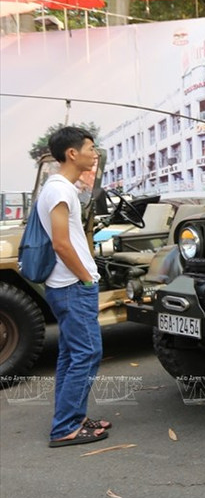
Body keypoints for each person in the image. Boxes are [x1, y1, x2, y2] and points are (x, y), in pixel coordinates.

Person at [37, 127, 110, 447]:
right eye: (90, 148)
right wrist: (85, 278)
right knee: (87, 353)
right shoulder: (59, 191)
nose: (94, 154)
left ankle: (73, 418)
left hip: (68, 285)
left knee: (71, 354)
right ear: (72, 153)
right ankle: (65, 427)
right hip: (71, 285)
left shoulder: (60, 188)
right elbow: (61, 244)